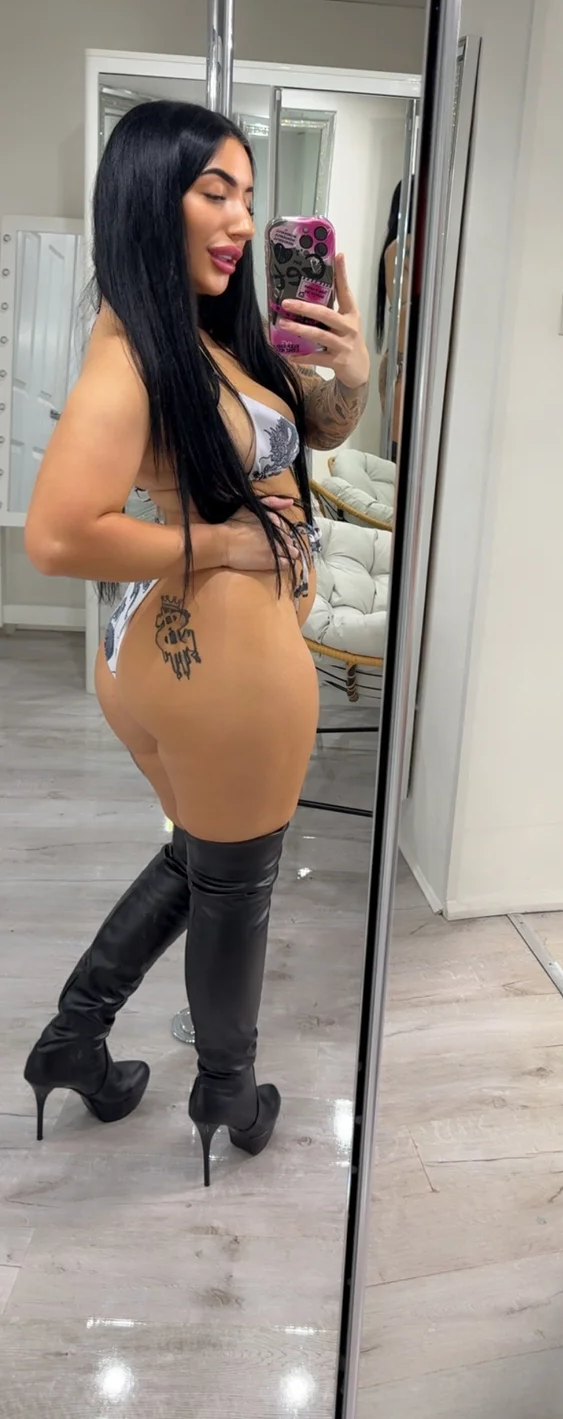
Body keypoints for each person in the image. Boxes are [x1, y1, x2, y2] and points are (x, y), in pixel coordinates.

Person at [22, 101, 369, 1186]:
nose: (240, 221)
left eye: (249, 198)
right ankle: (229, 1091)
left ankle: (74, 1036)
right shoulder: (131, 354)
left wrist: (352, 374)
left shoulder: (197, 334)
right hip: (226, 672)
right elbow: (58, 535)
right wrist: (220, 543)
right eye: (214, 192)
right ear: (147, 197)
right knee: (236, 886)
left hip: (164, 660)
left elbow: (310, 432)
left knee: (201, 859)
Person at [375, 179, 412, 457]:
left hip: (401, 362)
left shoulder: (397, 248)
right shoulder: (401, 248)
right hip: (401, 366)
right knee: (402, 457)